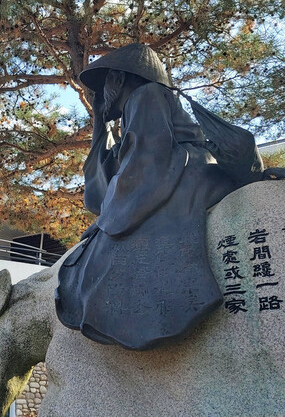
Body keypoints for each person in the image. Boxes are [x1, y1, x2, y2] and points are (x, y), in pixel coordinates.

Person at [55, 43, 262, 350]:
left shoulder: (147, 95)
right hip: (169, 174)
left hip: (184, 174)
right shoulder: (134, 108)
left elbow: (147, 161)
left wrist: (108, 220)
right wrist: (100, 120)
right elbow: (105, 183)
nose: (100, 95)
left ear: (120, 79)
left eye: (105, 84)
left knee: (108, 248)